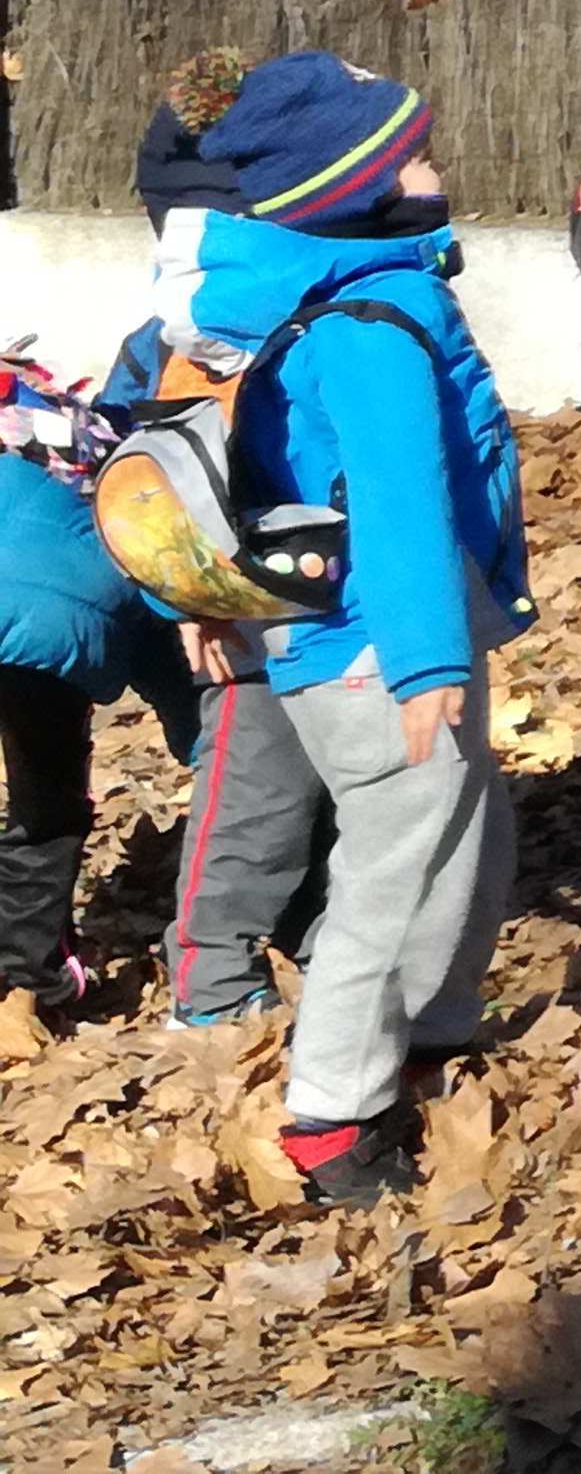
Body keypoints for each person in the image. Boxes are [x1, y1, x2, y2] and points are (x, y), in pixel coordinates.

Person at [189, 54, 532, 1205]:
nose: (439, 167)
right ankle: (332, 1113)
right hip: (378, 643)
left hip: (361, 627)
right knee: (393, 861)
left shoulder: (296, 291)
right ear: (361, 187)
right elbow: (400, 506)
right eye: (414, 152)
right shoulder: (371, 323)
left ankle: (428, 1029)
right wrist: (428, 658)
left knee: (460, 827)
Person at [102, 53, 335, 1026]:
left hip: (330, 597)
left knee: (329, 796)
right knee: (255, 800)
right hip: (238, 618)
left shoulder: (315, 305)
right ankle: (209, 982)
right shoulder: (184, 340)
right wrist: (188, 598)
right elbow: (140, 489)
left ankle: (328, 952)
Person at [0, 380, 198, 1011]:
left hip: (42, 622)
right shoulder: (123, 489)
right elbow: (168, 662)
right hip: (48, 638)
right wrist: (208, 747)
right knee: (45, 807)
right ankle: (31, 977)